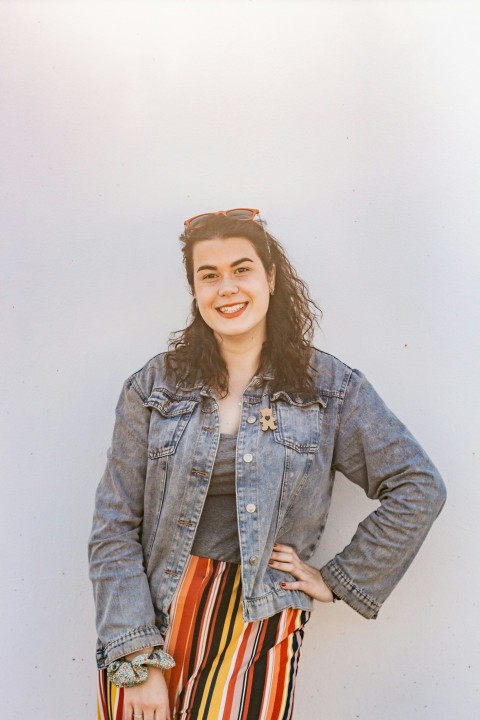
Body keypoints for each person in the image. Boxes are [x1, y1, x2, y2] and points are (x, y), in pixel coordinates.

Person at [88, 208, 446, 720]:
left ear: (270, 277)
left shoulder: (330, 389)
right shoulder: (154, 386)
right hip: (154, 617)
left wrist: (340, 579)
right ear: (195, 291)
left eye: (241, 269)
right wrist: (137, 658)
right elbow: (114, 527)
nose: (226, 288)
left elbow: (418, 485)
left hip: (261, 625)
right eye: (208, 275)